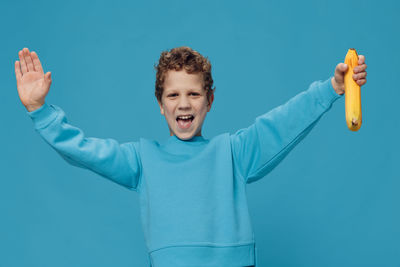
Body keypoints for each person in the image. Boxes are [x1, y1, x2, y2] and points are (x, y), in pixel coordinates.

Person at [14, 46, 367, 267]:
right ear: (160, 104)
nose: (183, 103)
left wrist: (333, 88)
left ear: (209, 101)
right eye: (173, 95)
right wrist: (39, 110)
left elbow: (281, 124)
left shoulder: (233, 152)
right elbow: (86, 151)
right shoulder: (142, 160)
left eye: (194, 94)